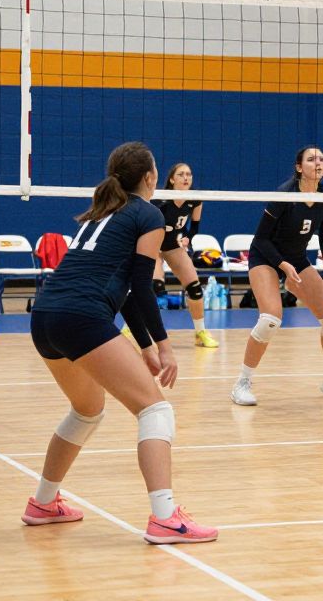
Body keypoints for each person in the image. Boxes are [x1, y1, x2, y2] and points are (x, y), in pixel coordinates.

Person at [22, 141, 217, 544]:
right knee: (156, 411)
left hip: (45, 316)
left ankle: (43, 503)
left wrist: (144, 345)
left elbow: (124, 290)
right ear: (150, 178)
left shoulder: (103, 210)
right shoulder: (149, 214)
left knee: (87, 410)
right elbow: (143, 287)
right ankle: (165, 518)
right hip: (82, 317)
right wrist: (164, 346)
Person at [231, 146, 323, 405]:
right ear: (299, 167)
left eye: (322, 159)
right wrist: (282, 265)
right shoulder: (284, 195)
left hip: (297, 258)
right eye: (312, 159)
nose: (318, 163)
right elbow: (261, 239)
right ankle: (242, 383)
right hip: (266, 257)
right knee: (270, 319)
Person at [153, 162, 218, 348]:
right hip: (154, 245)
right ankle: (131, 327)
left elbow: (194, 227)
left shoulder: (195, 198)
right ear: (172, 179)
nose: (186, 178)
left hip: (173, 246)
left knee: (195, 288)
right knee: (154, 287)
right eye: (181, 174)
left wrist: (187, 238)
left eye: (189, 174)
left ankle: (200, 333)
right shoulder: (159, 199)